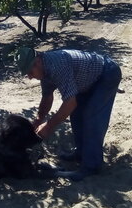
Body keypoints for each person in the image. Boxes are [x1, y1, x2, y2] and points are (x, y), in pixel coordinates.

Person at [15, 47, 122, 181]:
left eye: (30, 72)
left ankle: (91, 167)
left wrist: (48, 126)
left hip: (106, 75)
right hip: (86, 81)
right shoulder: (45, 72)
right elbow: (47, 98)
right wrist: (38, 119)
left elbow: (70, 103)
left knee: (91, 117)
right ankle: (81, 153)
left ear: (37, 62)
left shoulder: (57, 66)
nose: (30, 77)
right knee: (76, 115)